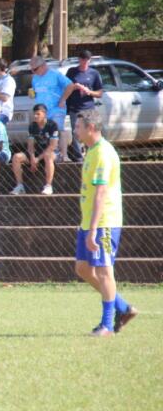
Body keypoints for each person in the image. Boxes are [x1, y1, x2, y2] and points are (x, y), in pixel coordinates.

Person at [73, 109, 137, 336]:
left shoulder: (102, 153)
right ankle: (122, 307)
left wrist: (93, 230)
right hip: (89, 222)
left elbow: (100, 193)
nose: (75, 129)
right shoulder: (91, 151)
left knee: (104, 271)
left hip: (104, 223)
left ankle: (107, 325)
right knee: (82, 268)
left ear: (91, 128)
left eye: (78, 126)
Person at [30, 55, 76, 162]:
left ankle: (64, 155)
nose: (33, 71)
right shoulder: (35, 78)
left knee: (58, 129)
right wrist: (33, 95)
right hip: (42, 111)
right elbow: (36, 92)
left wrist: (62, 100)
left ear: (43, 65)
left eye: (35, 69)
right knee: (46, 132)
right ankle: (52, 155)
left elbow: (70, 85)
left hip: (56, 108)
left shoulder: (55, 74)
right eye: (31, 69)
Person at [10, 104, 59, 195]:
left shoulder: (52, 125)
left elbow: (52, 146)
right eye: (34, 114)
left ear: (44, 114)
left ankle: (48, 186)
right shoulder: (32, 126)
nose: (35, 116)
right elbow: (30, 146)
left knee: (48, 155)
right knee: (17, 157)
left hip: (50, 153)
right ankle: (20, 186)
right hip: (37, 153)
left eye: (38, 114)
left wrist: (38, 159)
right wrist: (32, 158)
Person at [66, 50, 103, 162]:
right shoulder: (72, 72)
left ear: (89, 60)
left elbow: (100, 93)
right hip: (75, 107)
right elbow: (65, 87)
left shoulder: (94, 73)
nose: (83, 62)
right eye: (82, 59)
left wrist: (89, 92)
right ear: (79, 59)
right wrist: (74, 87)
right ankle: (78, 157)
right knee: (76, 132)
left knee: (91, 131)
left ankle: (91, 154)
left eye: (86, 60)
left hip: (89, 108)